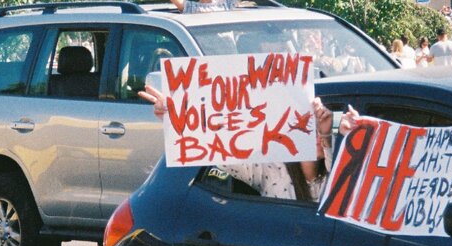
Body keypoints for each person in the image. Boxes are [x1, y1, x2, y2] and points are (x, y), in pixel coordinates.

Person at [141, 84, 343, 201]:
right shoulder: (270, 170)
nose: (316, 134)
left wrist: (327, 134)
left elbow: (343, 182)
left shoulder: (336, 171)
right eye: (309, 126)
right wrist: (178, 117)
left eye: (320, 128)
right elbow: (220, 149)